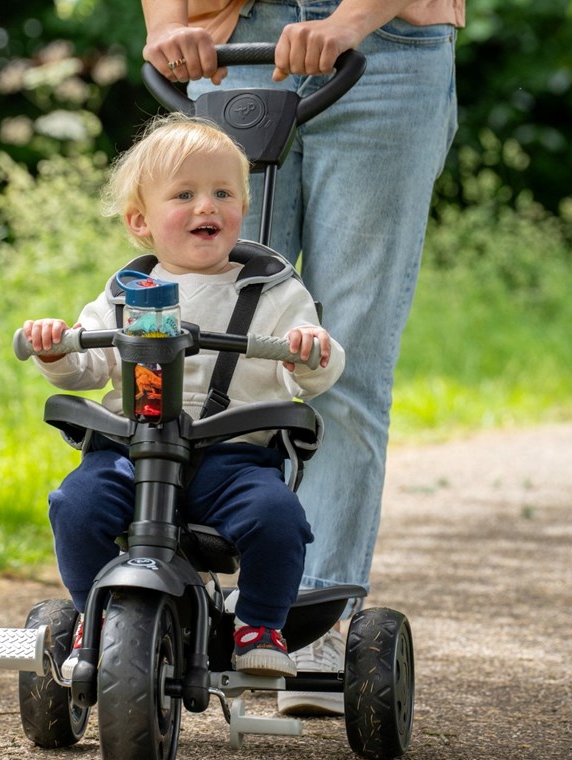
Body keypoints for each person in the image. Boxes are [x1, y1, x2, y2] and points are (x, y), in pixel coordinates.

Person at [141, 0, 463, 714]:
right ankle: (182, 596)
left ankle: (309, 617)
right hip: (232, 41)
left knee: (343, 362)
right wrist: (164, 25)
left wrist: (349, 23)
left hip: (388, 48)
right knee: (206, 346)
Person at [22, 114, 344, 678]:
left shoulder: (274, 292)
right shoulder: (126, 295)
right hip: (131, 454)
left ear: (242, 207)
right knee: (75, 505)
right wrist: (56, 350)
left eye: (223, 193)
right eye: (185, 194)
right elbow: (88, 363)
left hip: (233, 458)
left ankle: (261, 624)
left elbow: (313, 371)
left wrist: (310, 350)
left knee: (278, 517)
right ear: (141, 221)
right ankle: (90, 616)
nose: (207, 207)